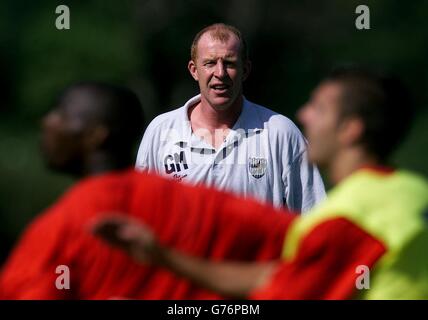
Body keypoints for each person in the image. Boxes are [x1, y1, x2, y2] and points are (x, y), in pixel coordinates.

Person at [93, 67, 428, 299]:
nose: (304, 114)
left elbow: (282, 292)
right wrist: (162, 257)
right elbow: (280, 276)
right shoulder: (414, 191)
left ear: (350, 130)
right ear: (194, 69)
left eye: (320, 109)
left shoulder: (348, 217)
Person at [0, 81, 293, 299]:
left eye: (62, 115)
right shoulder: (204, 204)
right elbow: (309, 246)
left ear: (95, 136)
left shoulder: (59, 229)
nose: (47, 122)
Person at [136, 23, 325, 211]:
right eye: (210, 63)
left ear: (245, 70)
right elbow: (141, 214)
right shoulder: (161, 130)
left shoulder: (281, 132)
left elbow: (313, 217)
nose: (220, 73)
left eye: (230, 63)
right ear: (194, 70)